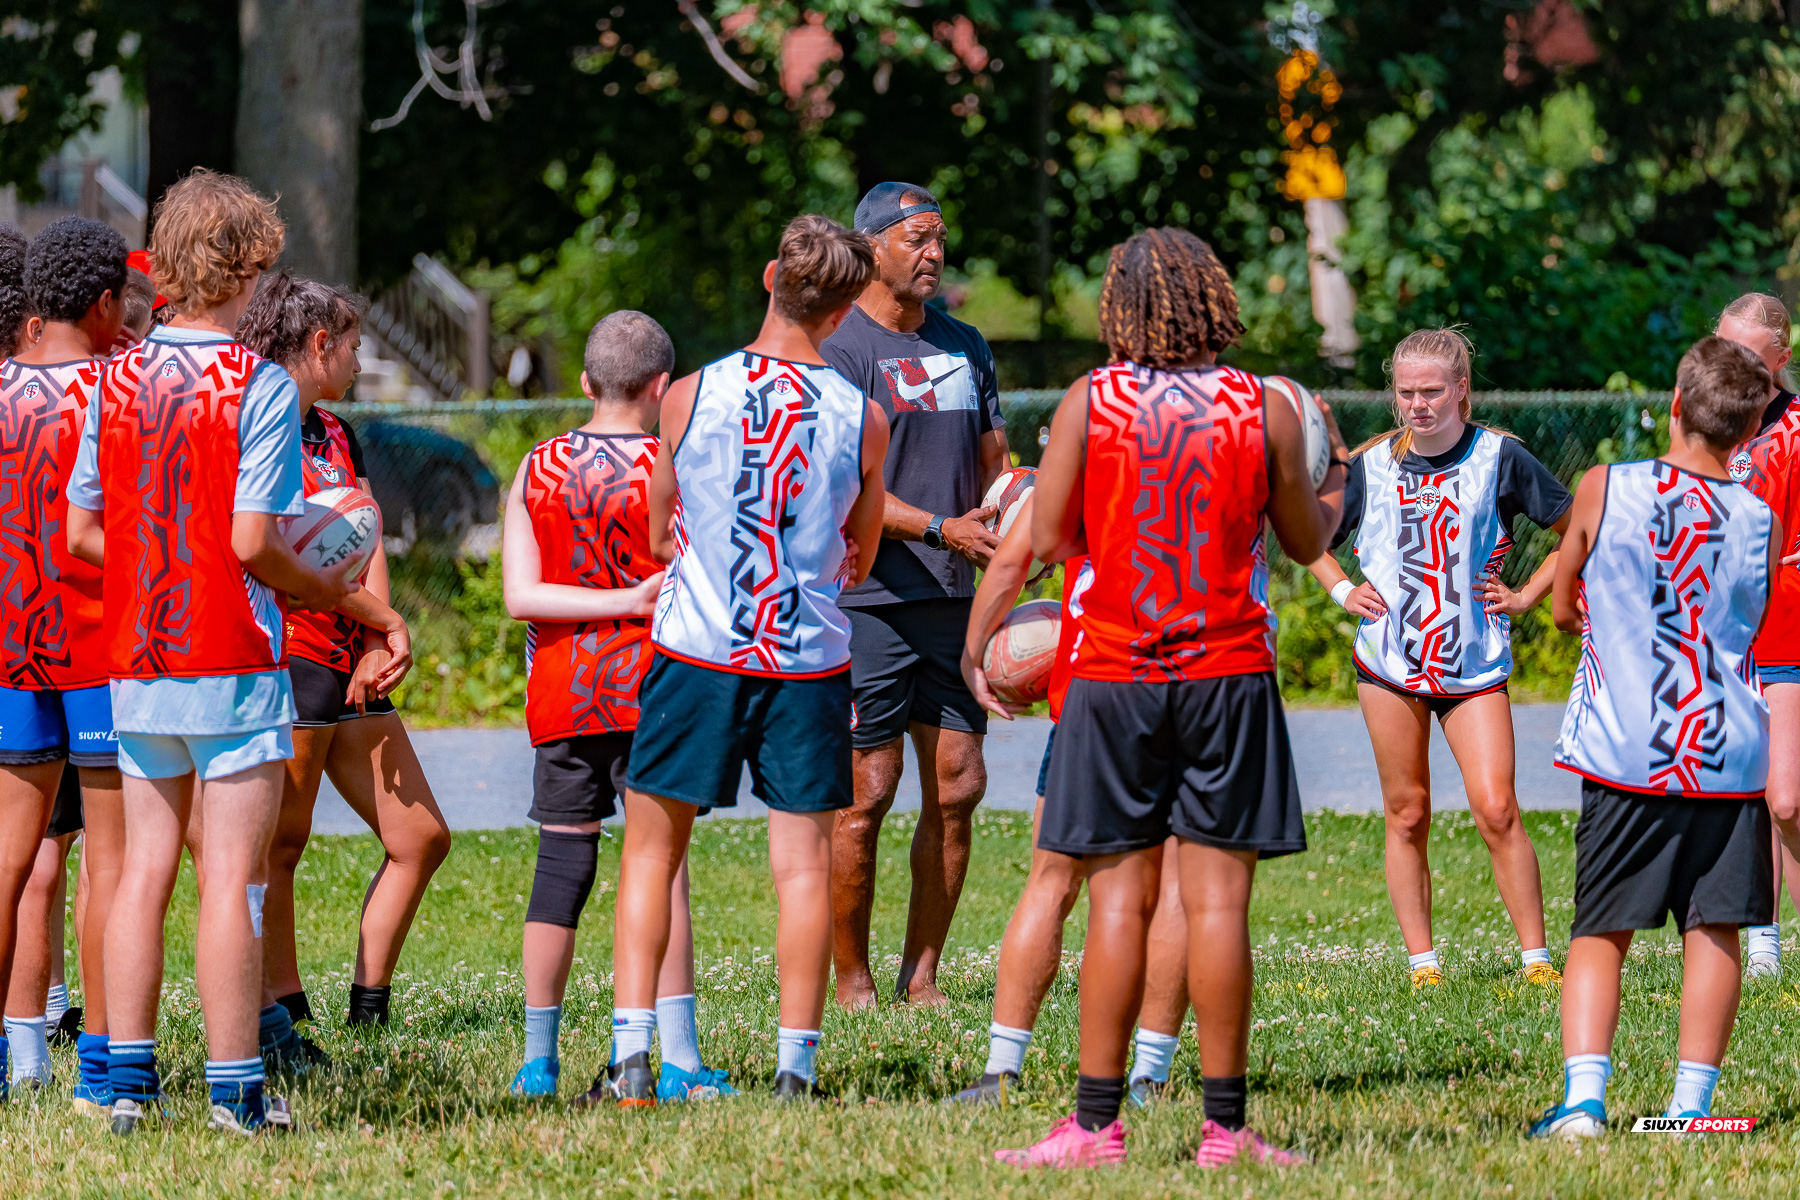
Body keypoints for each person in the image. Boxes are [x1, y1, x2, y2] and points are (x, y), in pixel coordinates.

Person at [999, 228, 1346, 1169]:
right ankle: (1225, 1132)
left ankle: (1093, 1128)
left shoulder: (1090, 401)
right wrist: (1335, 482)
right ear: (1213, 301)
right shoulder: (1263, 404)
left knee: (1119, 903)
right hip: (1229, 674)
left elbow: (1050, 537)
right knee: (1219, 909)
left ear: (1120, 306)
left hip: (1115, 674)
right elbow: (1305, 540)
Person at [65, 170, 358, 1136]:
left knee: (142, 872)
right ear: (244, 268)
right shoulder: (258, 384)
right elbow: (253, 542)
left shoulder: (111, 378)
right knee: (231, 879)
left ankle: (126, 1087)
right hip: (229, 654)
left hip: (137, 656)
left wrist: (157, 564)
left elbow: (82, 533)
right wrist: (325, 587)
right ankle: (237, 1095)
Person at [607, 213, 887, 1102]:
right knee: (802, 867)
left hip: (698, 650)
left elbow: (659, 531)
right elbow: (861, 552)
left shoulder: (689, 394)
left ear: (771, 277)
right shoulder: (864, 417)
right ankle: (795, 1069)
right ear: (846, 311)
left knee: (651, 855)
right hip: (807, 660)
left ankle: (631, 1059)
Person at [1535, 336, 1778, 1138]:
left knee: (1600, 930)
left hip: (1627, 752)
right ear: (1749, 431)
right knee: (1715, 928)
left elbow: (1563, 602)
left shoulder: (1606, 485)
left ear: (1674, 405)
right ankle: (1689, 1108)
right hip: (1726, 754)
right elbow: (1745, 625)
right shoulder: (1761, 518)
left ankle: (1584, 1102)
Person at [503, 310, 732, 1103]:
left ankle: (537, 1062)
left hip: (564, 692)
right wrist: (634, 600)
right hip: (656, 690)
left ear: (585, 381)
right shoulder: (677, 466)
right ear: (661, 386)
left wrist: (599, 601)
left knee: (561, 867)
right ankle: (679, 1059)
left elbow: (521, 595)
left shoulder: (536, 466)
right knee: (662, 870)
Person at [1304, 329, 1567, 989]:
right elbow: (1306, 537)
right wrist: (1341, 589)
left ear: (1461, 390)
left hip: (1472, 667)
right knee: (1407, 811)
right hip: (1389, 664)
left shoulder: (1501, 458)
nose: (1418, 404)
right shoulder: (1370, 466)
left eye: (1431, 391)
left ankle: (1537, 961)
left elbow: (1579, 529)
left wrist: (1527, 595)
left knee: (1497, 808)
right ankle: (1424, 966)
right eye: (1406, 392)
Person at [234, 273, 450, 1044]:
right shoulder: (252, 424)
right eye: (353, 345)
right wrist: (382, 617)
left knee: (421, 838)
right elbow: (268, 556)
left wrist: (376, 638)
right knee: (280, 847)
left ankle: (368, 1012)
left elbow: (364, 528)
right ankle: (286, 1017)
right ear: (320, 344)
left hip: (346, 648)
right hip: (287, 654)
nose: (360, 361)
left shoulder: (333, 430)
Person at [821, 181, 1007, 1009]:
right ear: (871, 249)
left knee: (959, 787)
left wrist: (1016, 523)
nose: (934, 254)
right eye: (918, 239)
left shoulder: (966, 344)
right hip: (866, 603)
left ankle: (921, 976)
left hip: (957, 602)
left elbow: (996, 463)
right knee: (866, 794)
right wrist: (939, 529)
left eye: (940, 239)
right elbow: (840, 486)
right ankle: (852, 980)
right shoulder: (838, 347)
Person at [950, 494, 1191, 1107]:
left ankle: (1000, 1074)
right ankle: (1149, 1079)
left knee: (1053, 880)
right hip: (1200, 681)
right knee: (1177, 888)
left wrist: (973, 653)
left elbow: (1013, 560)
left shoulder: (1092, 447)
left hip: (1100, 683)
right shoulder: (1230, 443)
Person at [0, 217, 128, 1105]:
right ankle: (105, 1066)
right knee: (110, 864)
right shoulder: (121, 392)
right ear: (106, 302)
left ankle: (12, 1058)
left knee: (8, 863)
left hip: (11, 647)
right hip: (100, 650)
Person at [1718, 292, 1800, 979]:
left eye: (1748, 352)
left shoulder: (1796, 429)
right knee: (1746, 793)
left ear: (1781, 357)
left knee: (1787, 799)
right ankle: (1764, 945)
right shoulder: (1706, 423)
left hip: (1788, 627)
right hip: (1723, 631)